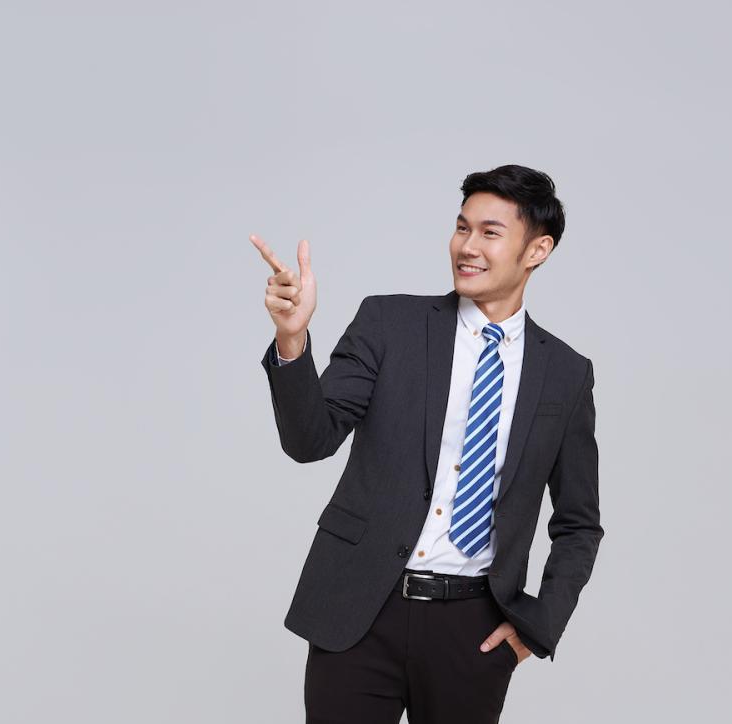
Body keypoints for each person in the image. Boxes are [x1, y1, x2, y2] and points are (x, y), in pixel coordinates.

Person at [252, 164, 603, 723]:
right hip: (359, 611)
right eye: (462, 227)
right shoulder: (389, 323)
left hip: (473, 629)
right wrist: (292, 340)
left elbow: (579, 523)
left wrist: (538, 626)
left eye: (490, 233)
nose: (467, 246)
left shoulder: (565, 373)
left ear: (537, 250)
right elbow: (309, 440)